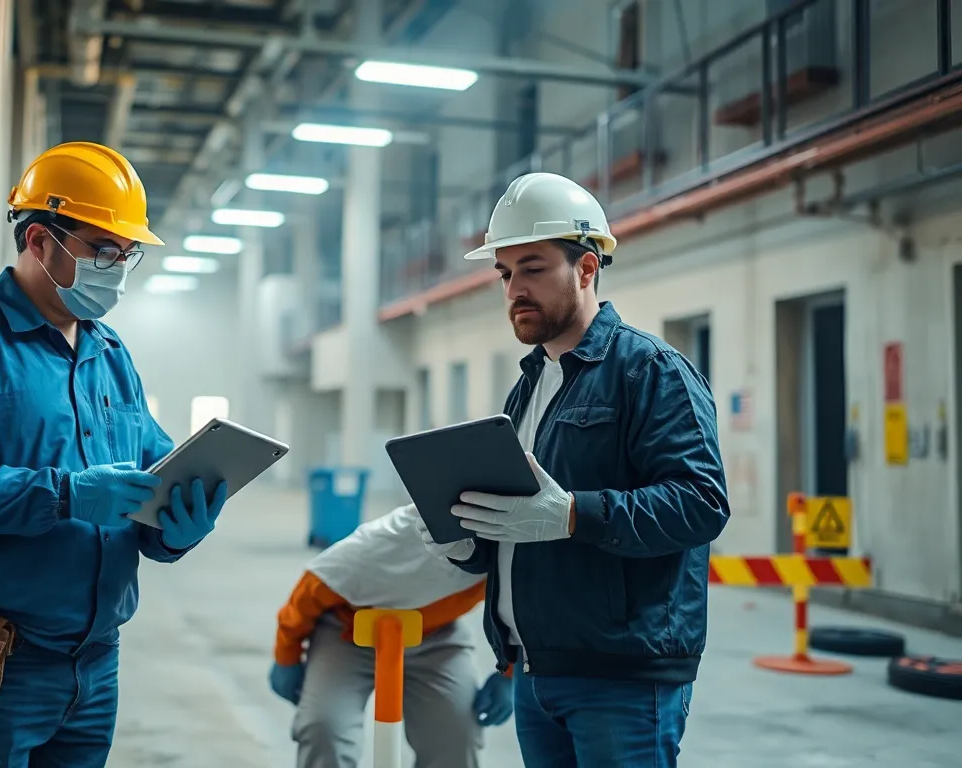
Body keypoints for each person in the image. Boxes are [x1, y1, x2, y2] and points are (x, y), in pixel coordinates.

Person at [0, 141, 229, 767]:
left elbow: (150, 473)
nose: (118, 269)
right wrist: (65, 494)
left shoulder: (110, 352)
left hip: (96, 663)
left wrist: (179, 525)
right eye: (103, 250)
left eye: (128, 255)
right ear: (39, 240)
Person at [423, 172, 729, 767]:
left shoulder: (651, 371)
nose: (515, 288)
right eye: (506, 274)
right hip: (535, 668)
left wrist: (571, 514)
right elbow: (519, 528)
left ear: (586, 269)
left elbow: (700, 503)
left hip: (622, 676)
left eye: (533, 269)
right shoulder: (527, 390)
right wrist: (464, 540)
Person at [271, 504, 515, 768]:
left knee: (457, 735)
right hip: (347, 635)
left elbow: (519, 608)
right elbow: (307, 594)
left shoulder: (505, 543)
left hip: (437, 635)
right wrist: (287, 656)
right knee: (324, 729)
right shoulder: (375, 548)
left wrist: (509, 673)